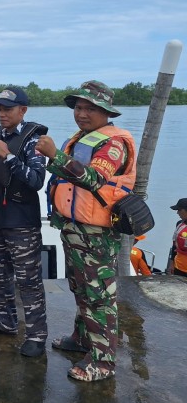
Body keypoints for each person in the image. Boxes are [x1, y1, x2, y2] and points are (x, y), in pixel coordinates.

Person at [36, 80, 135, 382]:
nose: (82, 113)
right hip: (74, 229)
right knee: (80, 288)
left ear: (106, 112)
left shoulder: (113, 144)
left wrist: (54, 155)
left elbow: (93, 179)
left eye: (90, 108)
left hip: (96, 233)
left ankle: (103, 362)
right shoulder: (83, 138)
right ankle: (81, 340)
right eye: (79, 107)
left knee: (99, 297)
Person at [0, 87, 49, 357]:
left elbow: (36, 180)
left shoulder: (34, 139)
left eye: (8, 109)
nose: (2, 113)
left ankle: (37, 337)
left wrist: (7, 156)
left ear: (23, 111)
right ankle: (5, 323)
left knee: (28, 282)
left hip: (23, 224)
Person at [166, 198, 187, 277]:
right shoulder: (179, 224)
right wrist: (171, 263)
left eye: (179, 210)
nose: (177, 213)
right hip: (178, 267)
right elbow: (174, 245)